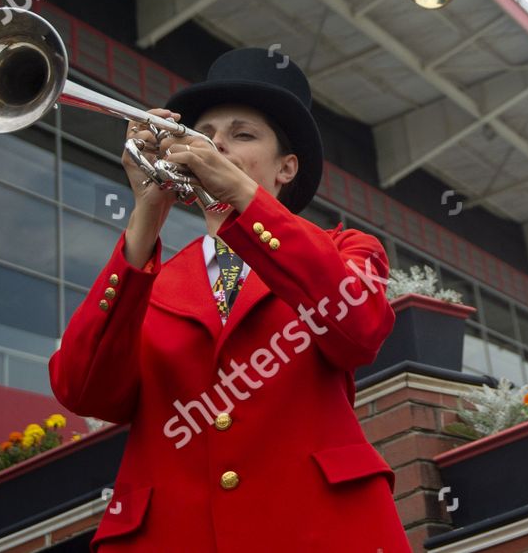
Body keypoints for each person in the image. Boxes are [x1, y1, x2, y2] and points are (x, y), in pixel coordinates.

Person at [50, 48, 411, 551]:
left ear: (286, 168)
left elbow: (361, 330)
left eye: (241, 135)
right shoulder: (146, 279)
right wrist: (146, 216)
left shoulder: (345, 250)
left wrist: (242, 196)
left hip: (319, 531)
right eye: (205, 134)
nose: (214, 145)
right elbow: (85, 390)